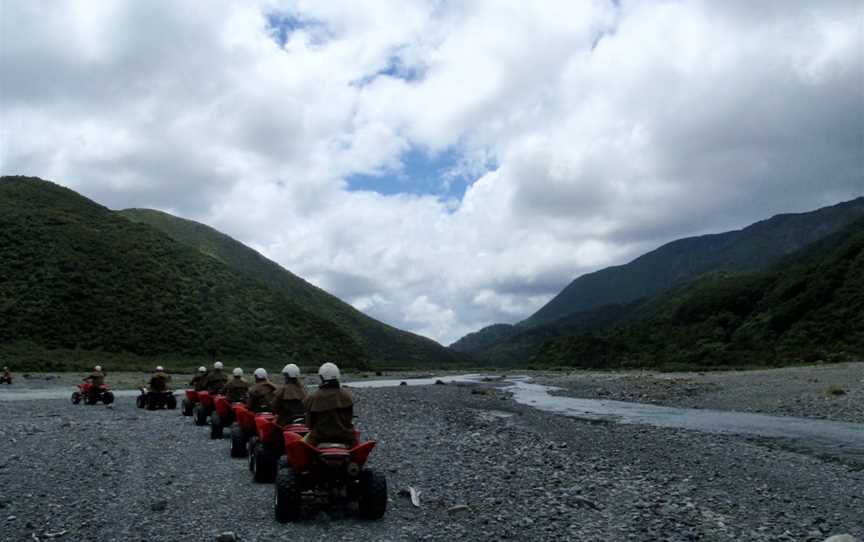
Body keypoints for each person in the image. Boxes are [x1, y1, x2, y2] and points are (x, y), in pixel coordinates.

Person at [303, 362, 356, 447]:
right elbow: (349, 420)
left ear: (321, 377)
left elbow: (309, 424)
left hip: (318, 438)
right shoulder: (347, 396)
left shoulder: (313, 397)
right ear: (338, 376)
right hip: (345, 438)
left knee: (303, 449)